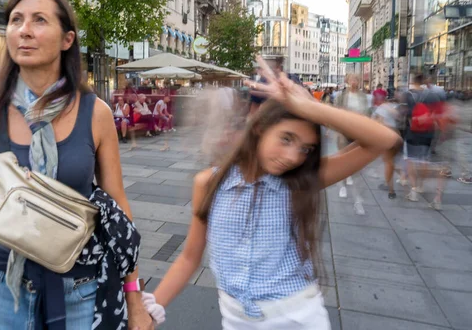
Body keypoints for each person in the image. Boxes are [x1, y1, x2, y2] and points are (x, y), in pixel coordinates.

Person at [0, 0, 153, 330]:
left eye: (39, 20)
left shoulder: (95, 114)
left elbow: (119, 217)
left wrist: (134, 300)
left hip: (79, 289)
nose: (24, 30)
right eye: (16, 20)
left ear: (67, 39)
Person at [141, 60, 401, 330]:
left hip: (296, 317)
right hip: (235, 318)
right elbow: (189, 257)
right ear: (258, 129)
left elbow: (385, 140)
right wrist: (153, 308)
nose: (293, 157)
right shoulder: (209, 182)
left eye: (305, 149)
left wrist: (311, 107)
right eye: (286, 139)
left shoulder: (299, 182)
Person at [334, 73, 370, 215]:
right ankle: (342, 185)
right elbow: (337, 110)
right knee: (343, 156)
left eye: (356, 79)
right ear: (347, 81)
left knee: (354, 157)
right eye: (352, 79)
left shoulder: (362, 96)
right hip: (344, 130)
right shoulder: (342, 95)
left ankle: (349, 177)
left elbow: (367, 112)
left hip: (358, 130)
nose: (354, 82)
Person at [403, 73, 441, 203]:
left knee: (411, 161)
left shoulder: (409, 95)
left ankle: (413, 190)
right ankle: (420, 185)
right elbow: (437, 113)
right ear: (424, 81)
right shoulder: (432, 95)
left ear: (413, 81)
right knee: (424, 160)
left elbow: (406, 114)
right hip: (428, 131)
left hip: (413, 131)